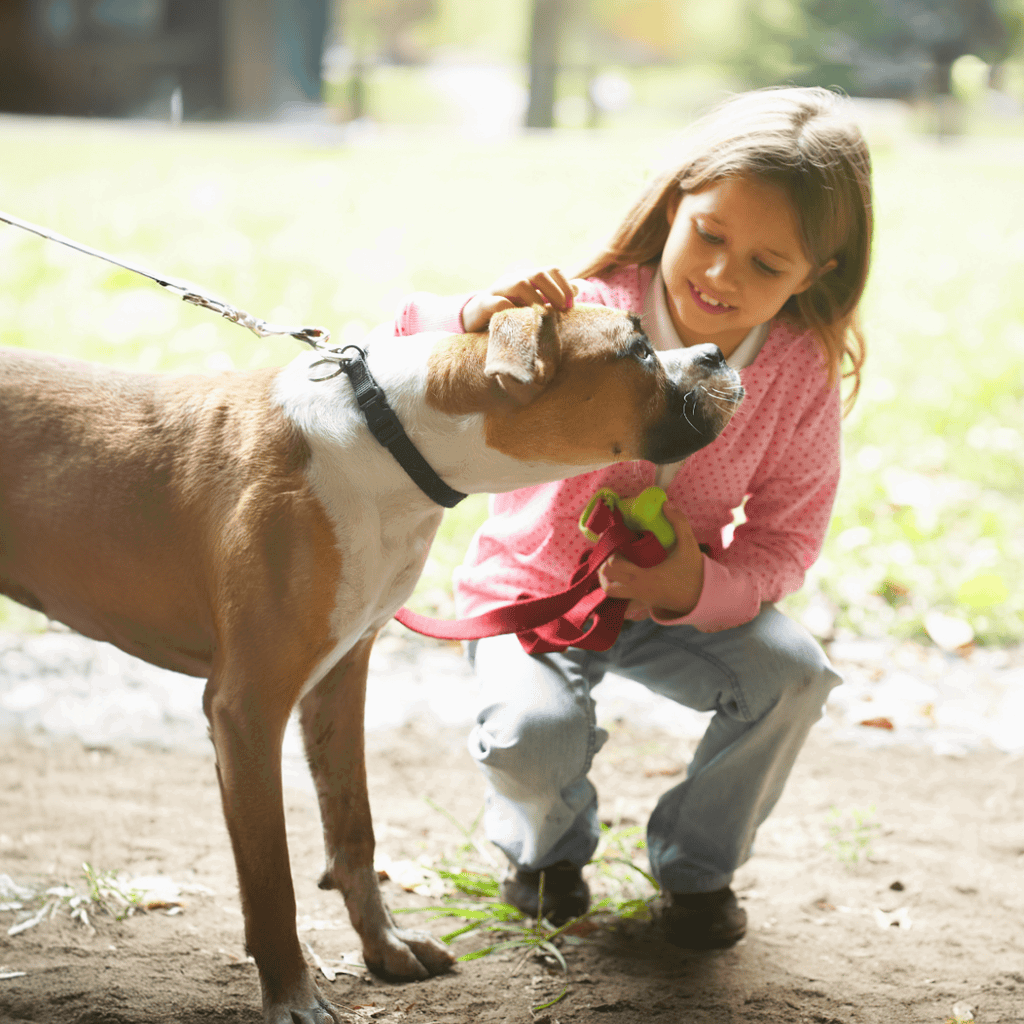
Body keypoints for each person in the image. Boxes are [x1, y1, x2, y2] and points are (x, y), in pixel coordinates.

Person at [389, 86, 873, 949]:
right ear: (677, 200)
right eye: (711, 235)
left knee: (792, 675)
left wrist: (701, 587)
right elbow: (419, 350)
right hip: (533, 597)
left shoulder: (799, 373)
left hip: (671, 609)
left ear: (817, 275)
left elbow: (787, 540)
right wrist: (481, 317)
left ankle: (697, 867)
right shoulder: (586, 310)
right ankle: (549, 852)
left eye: (767, 265)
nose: (722, 276)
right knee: (531, 737)